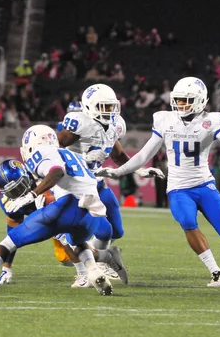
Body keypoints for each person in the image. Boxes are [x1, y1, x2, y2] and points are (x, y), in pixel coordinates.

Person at [96, 77, 220, 287]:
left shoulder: (211, 120)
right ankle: (216, 272)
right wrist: (119, 172)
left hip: (204, 185)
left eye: (186, 100)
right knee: (187, 221)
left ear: (200, 100)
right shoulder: (165, 120)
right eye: (178, 100)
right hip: (178, 188)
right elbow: (143, 155)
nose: (180, 105)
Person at [0, 125, 122, 295]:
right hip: (91, 213)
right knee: (77, 241)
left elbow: (56, 172)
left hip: (65, 209)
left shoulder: (39, 157)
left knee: (8, 243)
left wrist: (32, 195)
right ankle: (94, 270)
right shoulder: (72, 155)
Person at [56, 84, 163, 284]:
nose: (109, 111)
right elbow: (52, 150)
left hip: (97, 182)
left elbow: (119, 156)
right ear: (89, 106)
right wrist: (83, 159)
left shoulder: (115, 125)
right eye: (103, 106)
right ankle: (88, 269)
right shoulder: (80, 123)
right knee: (100, 232)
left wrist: (140, 170)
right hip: (75, 186)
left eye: (111, 106)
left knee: (117, 231)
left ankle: (101, 257)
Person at [0, 159, 121, 288]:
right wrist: (7, 268)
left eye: (20, 186)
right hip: (50, 216)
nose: (18, 193)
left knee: (104, 232)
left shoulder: (42, 177)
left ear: (27, 177)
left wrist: (48, 201)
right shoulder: (9, 203)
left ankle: (91, 268)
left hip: (77, 206)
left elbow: (67, 194)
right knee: (65, 258)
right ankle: (100, 260)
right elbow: (12, 233)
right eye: (12, 191)